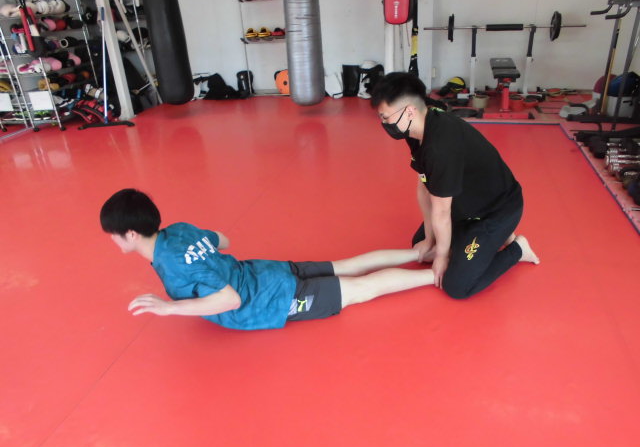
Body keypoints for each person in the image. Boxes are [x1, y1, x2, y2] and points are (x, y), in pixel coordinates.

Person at [100, 188, 434, 330]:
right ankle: (420, 252)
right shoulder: (178, 230)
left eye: (113, 234)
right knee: (346, 266)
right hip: (267, 271)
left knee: (359, 289)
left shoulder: (173, 264)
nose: (111, 240)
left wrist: (170, 308)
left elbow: (230, 300)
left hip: (271, 299)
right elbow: (223, 240)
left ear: (131, 233)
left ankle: (435, 275)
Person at [370, 72, 539, 299]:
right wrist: (430, 238)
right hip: (463, 204)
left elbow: (441, 211)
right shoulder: (417, 126)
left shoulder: (440, 148)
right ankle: (481, 242)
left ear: (409, 111)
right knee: (421, 245)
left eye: (385, 117)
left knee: (456, 286)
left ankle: (517, 249)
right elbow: (424, 186)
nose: (384, 123)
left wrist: (442, 257)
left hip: (495, 211)